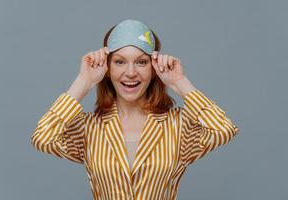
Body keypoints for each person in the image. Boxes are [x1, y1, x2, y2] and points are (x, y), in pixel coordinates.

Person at [31, 19, 240, 200]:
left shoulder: (178, 126)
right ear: (108, 68)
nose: (130, 72)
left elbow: (222, 129)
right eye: (120, 62)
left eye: (141, 62)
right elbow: (43, 137)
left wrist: (179, 82)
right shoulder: (89, 128)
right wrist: (83, 82)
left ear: (153, 67)